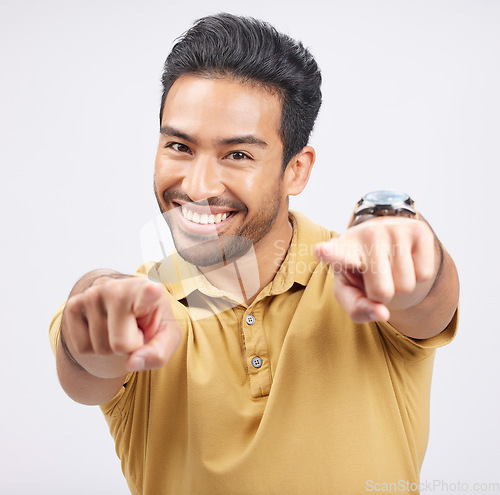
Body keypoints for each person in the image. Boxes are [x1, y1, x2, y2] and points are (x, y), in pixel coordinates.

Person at [49, 12, 459, 495]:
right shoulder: (137, 313)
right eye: (179, 146)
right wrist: (97, 296)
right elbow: (84, 365)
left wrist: (412, 254)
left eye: (237, 154)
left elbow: (428, 299)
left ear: (296, 170)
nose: (197, 185)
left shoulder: (364, 286)